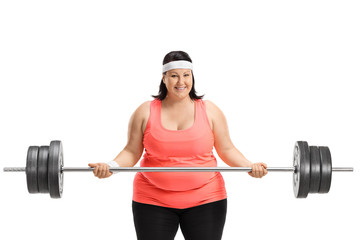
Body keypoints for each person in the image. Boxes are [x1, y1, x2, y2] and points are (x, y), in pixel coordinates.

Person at [88, 51, 268, 240]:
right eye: (174, 75)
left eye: (186, 75)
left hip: (206, 199)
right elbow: (131, 151)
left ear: (192, 77)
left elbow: (227, 149)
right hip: (152, 200)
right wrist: (111, 167)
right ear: (164, 78)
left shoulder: (210, 111)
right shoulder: (144, 111)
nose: (181, 82)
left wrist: (249, 166)